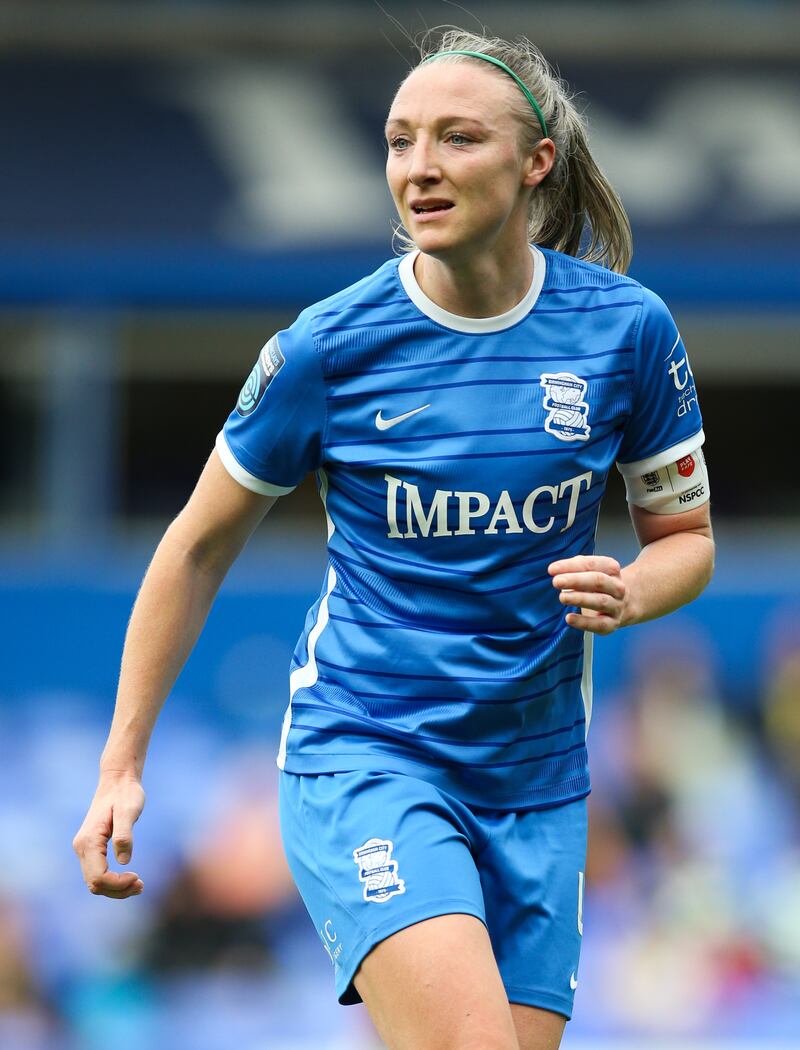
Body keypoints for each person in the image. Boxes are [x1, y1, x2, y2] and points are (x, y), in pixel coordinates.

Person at [73, 28, 714, 1050]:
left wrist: (633, 591)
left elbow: (683, 539)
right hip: (368, 751)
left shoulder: (627, 333)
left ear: (533, 161)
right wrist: (120, 765)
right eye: (398, 140)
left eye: (457, 138)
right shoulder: (327, 347)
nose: (419, 167)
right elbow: (195, 547)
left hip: (537, 777)